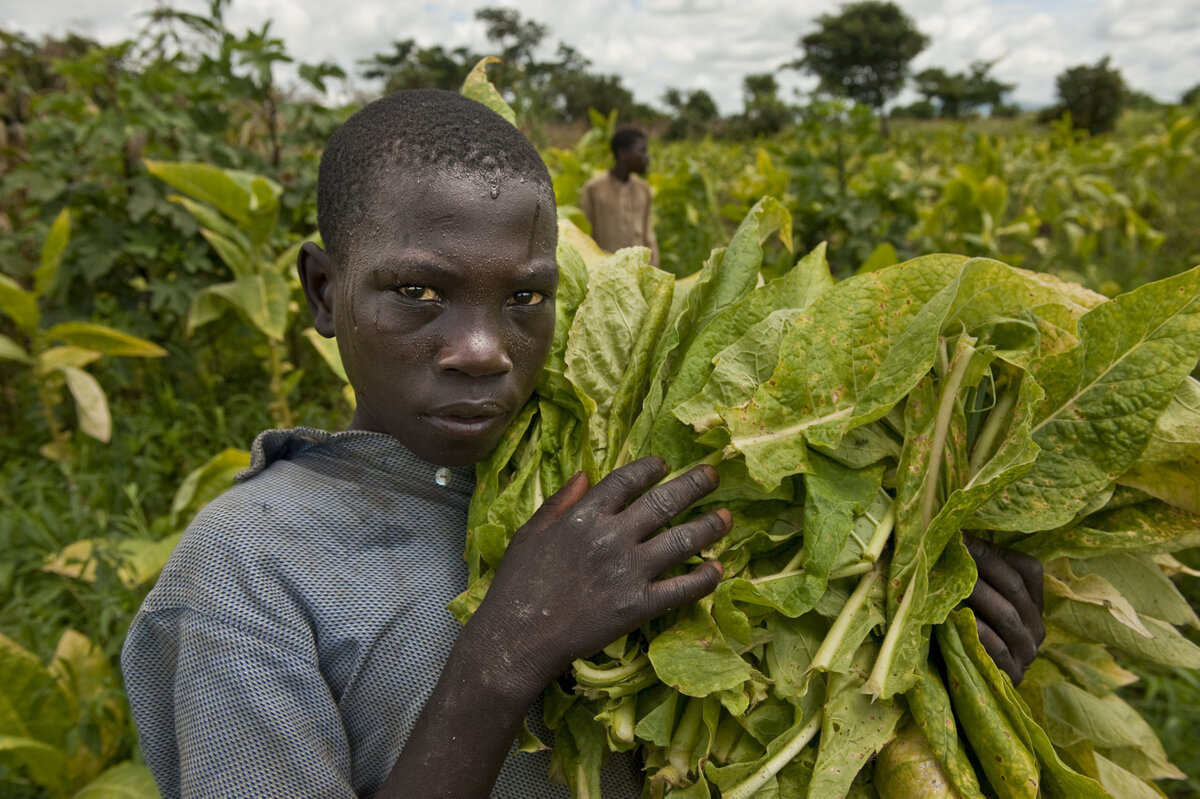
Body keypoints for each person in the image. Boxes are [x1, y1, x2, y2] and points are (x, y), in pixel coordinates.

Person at [121, 89, 1043, 799]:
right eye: (417, 293)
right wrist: (503, 652)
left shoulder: (599, 473)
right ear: (324, 292)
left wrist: (941, 656)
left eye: (525, 298)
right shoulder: (245, 567)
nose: (483, 350)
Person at [579, 127, 660, 265]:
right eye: (642, 151)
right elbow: (584, 235)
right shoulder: (594, 189)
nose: (647, 156)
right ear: (623, 154)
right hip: (604, 272)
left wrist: (653, 266)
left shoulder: (643, 189)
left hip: (638, 271)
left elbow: (648, 234)